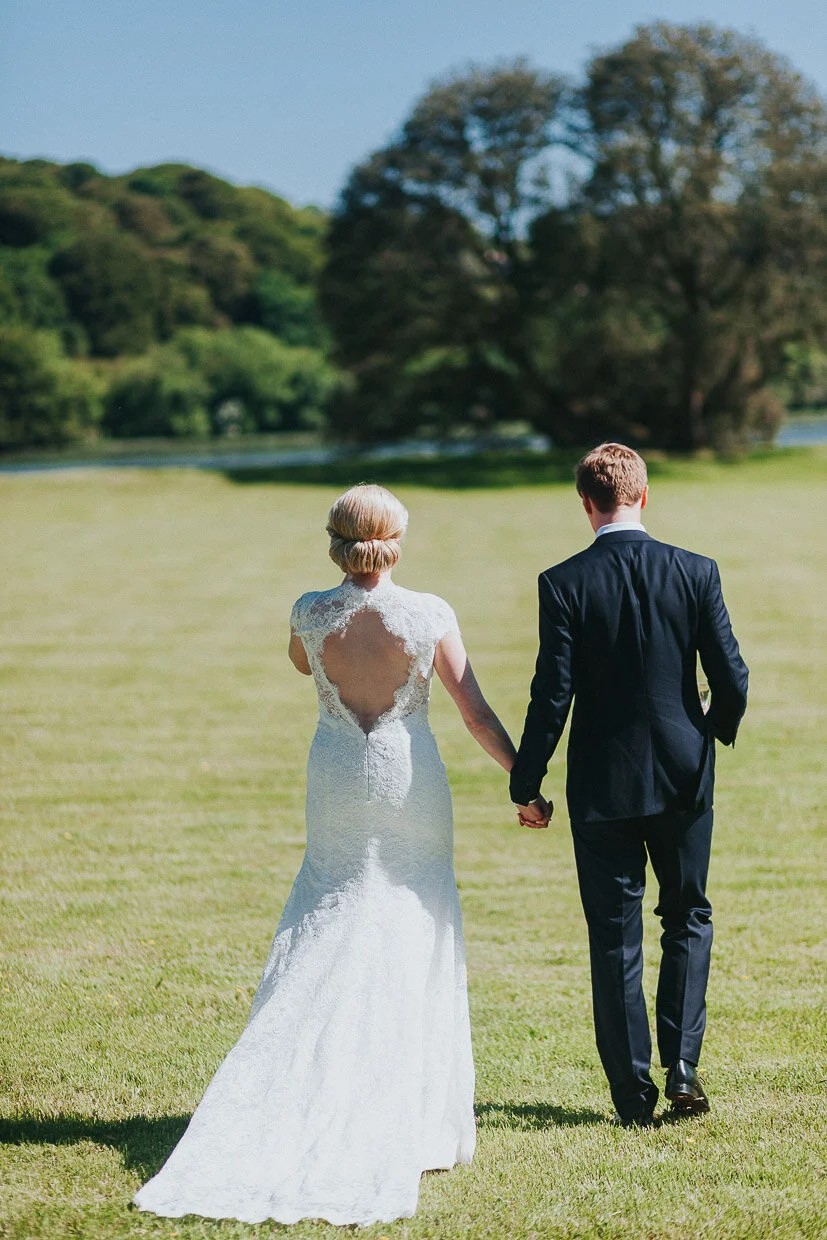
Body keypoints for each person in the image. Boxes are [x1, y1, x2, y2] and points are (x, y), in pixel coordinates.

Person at [134, 483, 529, 1226]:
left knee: (329, 903)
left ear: (337, 543)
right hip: (406, 777)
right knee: (413, 914)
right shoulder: (429, 614)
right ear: (395, 542)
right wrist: (524, 780)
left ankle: (309, 1077)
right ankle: (411, 1109)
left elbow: (301, 666)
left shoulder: (309, 612)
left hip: (338, 774)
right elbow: (474, 712)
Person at [510, 443, 748, 1127]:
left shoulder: (562, 582)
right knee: (688, 916)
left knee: (614, 937)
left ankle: (632, 1099)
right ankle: (683, 1067)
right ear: (644, 495)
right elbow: (732, 677)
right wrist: (709, 730)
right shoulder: (695, 570)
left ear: (585, 503)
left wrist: (526, 783)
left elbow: (551, 696)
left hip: (601, 786)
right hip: (684, 777)